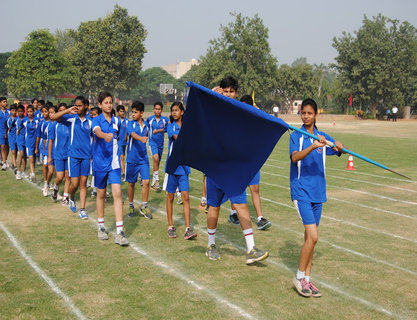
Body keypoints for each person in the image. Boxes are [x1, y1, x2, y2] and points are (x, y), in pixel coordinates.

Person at [205, 77, 268, 264]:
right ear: (221, 91)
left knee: (241, 205)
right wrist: (210, 93)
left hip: (233, 168)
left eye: (232, 91)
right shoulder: (213, 109)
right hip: (216, 166)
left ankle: (251, 248)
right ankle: (211, 244)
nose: (229, 94)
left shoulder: (241, 112)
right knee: (214, 207)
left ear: (236, 94)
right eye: (225, 91)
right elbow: (201, 112)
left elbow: (257, 122)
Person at [290, 98, 344, 298]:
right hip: (301, 191)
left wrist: (339, 145)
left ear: (315, 115)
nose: (305, 116)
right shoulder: (296, 135)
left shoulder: (322, 136)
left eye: (309, 113)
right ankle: (298, 277)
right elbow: (295, 157)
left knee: (309, 240)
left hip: (318, 193)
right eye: (303, 113)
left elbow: (337, 149)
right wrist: (312, 147)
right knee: (313, 237)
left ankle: (307, 279)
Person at [92, 91, 129, 246]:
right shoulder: (96, 120)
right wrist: (104, 135)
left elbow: (120, 139)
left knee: (118, 193)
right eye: (105, 102)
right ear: (100, 104)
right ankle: (101, 226)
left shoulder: (117, 121)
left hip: (114, 163)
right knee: (101, 194)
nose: (108, 105)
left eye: (110, 102)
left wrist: (120, 157)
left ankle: (119, 231)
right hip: (100, 163)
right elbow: (97, 131)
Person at [51, 96, 92, 219]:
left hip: (86, 156)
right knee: (74, 184)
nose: (77, 107)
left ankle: (83, 209)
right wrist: (68, 110)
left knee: (83, 183)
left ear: (86, 106)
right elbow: (53, 117)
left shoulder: (90, 122)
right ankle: (72, 197)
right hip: (73, 156)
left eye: (80, 105)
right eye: (76, 105)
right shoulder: (71, 119)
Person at [163, 101, 197, 240]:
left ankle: (188, 228)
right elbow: (178, 139)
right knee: (170, 197)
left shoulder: (188, 127)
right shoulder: (171, 127)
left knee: (186, 197)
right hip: (172, 167)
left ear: (182, 112)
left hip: (184, 168)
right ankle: (170, 226)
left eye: (177, 110)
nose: (174, 112)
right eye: (173, 110)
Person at [125, 101, 152, 219]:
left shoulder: (147, 125)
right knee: (131, 183)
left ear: (142, 113)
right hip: (132, 159)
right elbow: (132, 134)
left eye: (135, 112)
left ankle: (144, 206)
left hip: (144, 159)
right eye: (132, 112)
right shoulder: (130, 124)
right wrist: (141, 138)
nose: (133, 114)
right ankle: (131, 205)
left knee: (146, 182)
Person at [50, 103, 71, 205]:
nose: (62, 113)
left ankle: (65, 197)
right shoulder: (55, 124)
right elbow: (50, 141)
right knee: (60, 177)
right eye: (60, 111)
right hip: (58, 153)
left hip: (69, 154)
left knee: (68, 176)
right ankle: (55, 187)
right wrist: (50, 156)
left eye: (65, 110)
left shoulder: (70, 123)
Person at [147, 101, 169, 191]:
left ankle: (154, 182)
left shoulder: (165, 120)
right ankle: (157, 181)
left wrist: (159, 130)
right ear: (153, 110)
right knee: (155, 158)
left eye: (159, 109)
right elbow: (145, 127)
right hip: (152, 142)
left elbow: (168, 128)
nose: (157, 111)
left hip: (161, 144)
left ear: (161, 110)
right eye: (155, 109)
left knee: (157, 162)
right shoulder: (150, 119)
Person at [21, 105, 39, 182]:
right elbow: (21, 128)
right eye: (28, 112)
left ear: (33, 112)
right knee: (31, 158)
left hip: (36, 141)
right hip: (28, 141)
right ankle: (32, 173)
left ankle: (32, 172)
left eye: (31, 111)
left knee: (34, 158)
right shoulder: (24, 120)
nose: (29, 113)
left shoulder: (37, 120)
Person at [15, 105, 27, 180]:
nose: (20, 113)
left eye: (21, 111)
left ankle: (24, 171)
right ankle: (18, 172)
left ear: (24, 111)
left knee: (25, 156)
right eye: (18, 111)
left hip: (25, 139)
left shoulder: (26, 119)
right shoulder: (17, 120)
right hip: (19, 139)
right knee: (21, 154)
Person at [116, 105, 128, 180]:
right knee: (121, 158)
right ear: (118, 112)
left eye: (123, 111)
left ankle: (119, 171)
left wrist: (126, 135)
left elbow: (128, 129)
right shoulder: (116, 120)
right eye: (120, 111)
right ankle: (124, 173)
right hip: (118, 142)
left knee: (122, 157)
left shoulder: (126, 121)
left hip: (124, 142)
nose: (122, 113)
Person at [6, 104, 18, 171]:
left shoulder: (18, 119)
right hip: (11, 136)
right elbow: (7, 128)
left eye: (15, 110)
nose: (14, 112)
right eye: (12, 110)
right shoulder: (8, 119)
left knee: (16, 151)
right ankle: (15, 165)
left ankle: (14, 163)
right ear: (10, 111)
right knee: (13, 151)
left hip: (17, 136)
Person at [0, 97, 10, 170]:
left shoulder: (8, 112)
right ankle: (4, 162)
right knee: (3, 146)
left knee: (7, 146)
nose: (5, 103)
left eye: (6, 102)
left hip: (8, 132)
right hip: (1, 131)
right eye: (4, 102)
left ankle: (5, 160)